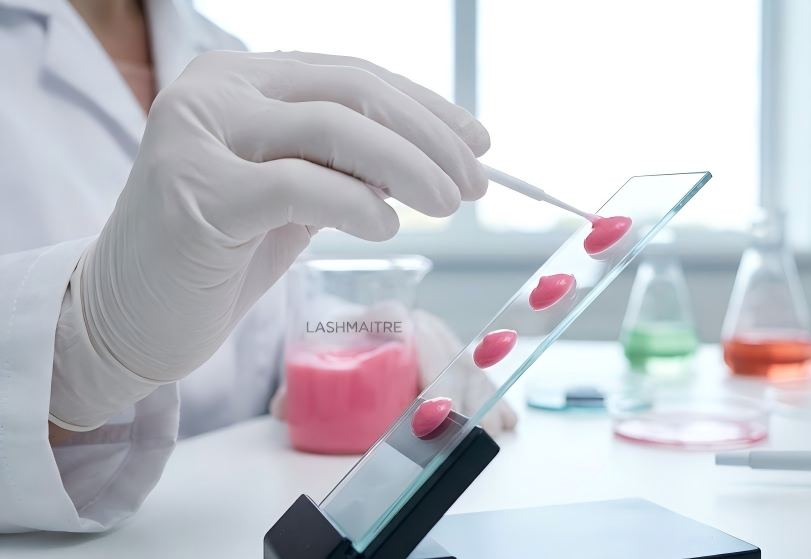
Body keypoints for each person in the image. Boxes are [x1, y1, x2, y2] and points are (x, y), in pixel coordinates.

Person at [0, 0, 514, 533]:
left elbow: (263, 301)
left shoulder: (217, 48)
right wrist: (85, 354)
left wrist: (370, 336)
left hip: (238, 521)